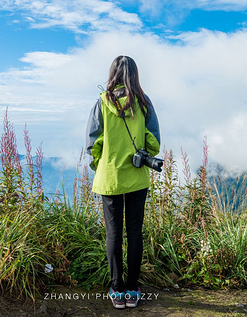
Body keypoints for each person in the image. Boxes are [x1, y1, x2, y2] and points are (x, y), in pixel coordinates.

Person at [85, 55, 161, 309]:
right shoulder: (144, 102)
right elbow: (154, 142)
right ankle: (132, 289)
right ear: (135, 75)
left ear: (112, 74)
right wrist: (141, 149)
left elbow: (92, 143)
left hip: (110, 178)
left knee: (113, 233)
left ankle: (117, 291)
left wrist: (102, 164)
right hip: (137, 178)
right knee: (135, 232)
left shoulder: (102, 103)